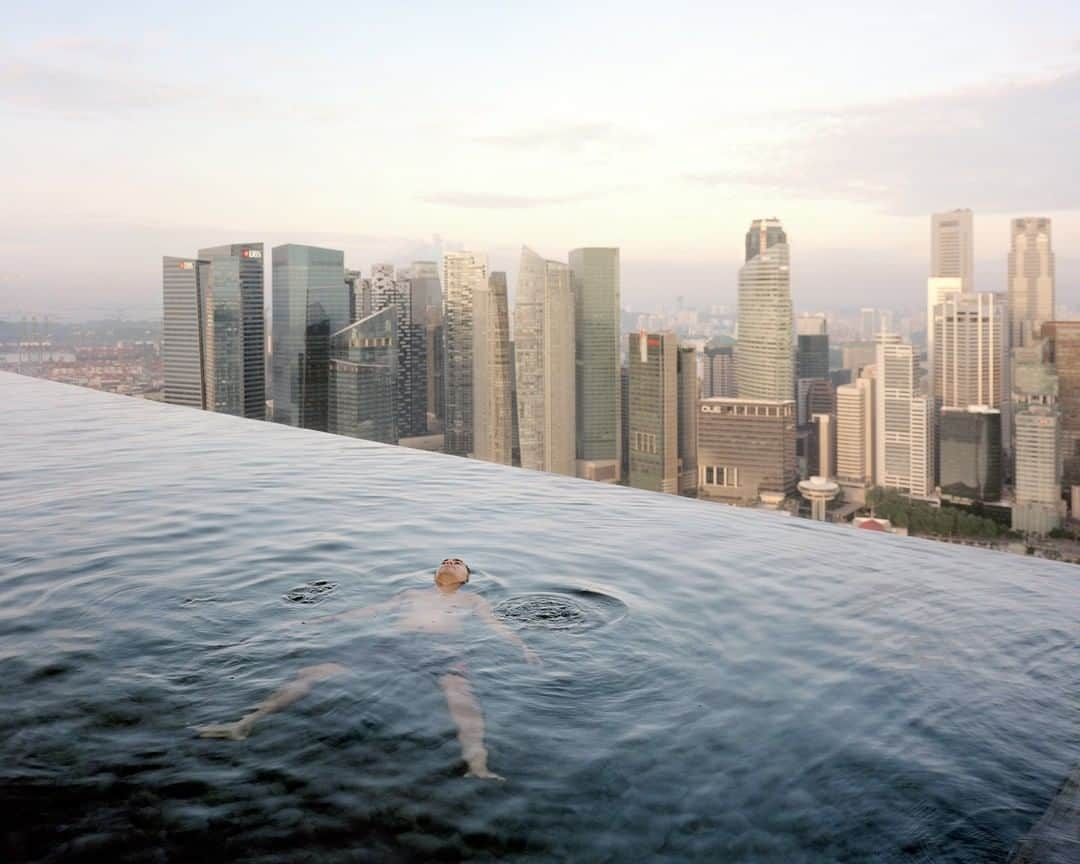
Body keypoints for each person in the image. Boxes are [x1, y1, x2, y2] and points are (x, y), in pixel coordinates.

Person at [193, 558, 539, 780]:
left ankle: (477, 765)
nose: (449, 562)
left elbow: (497, 627)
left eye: (458, 562)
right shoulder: (411, 593)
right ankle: (243, 724)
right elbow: (369, 612)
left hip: (441, 650)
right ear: (435, 574)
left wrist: (523, 647)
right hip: (390, 645)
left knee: (461, 698)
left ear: (465, 578)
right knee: (312, 673)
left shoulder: (472, 600)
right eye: (445, 561)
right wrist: (324, 619)